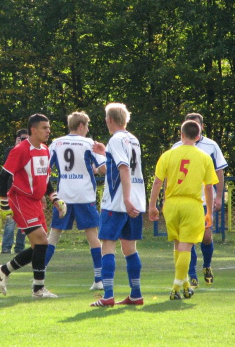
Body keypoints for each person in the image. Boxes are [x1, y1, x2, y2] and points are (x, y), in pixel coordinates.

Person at [0, 113, 66, 299]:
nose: (48, 131)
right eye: (44, 128)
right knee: (42, 241)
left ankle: (4, 270)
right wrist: (4, 203)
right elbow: (3, 176)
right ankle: (38, 289)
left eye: (48, 128)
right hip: (20, 199)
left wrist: (54, 198)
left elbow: (46, 179)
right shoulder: (20, 150)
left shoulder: (45, 150)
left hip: (35, 202)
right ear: (33, 130)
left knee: (38, 247)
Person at [149, 120, 218, 300]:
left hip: (171, 204)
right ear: (197, 136)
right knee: (186, 246)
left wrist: (151, 205)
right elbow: (209, 188)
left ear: (181, 135)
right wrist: (209, 212)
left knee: (178, 245)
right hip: (192, 204)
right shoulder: (204, 157)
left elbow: (157, 182)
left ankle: (186, 285)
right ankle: (176, 287)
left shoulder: (168, 155)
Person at [90, 103, 146, 307]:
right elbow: (125, 164)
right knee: (130, 248)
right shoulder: (133, 139)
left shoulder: (115, 139)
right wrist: (106, 153)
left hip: (117, 202)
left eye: (106, 118)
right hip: (137, 200)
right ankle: (136, 294)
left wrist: (125, 198)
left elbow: (123, 168)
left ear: (110, 120)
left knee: (108, 247)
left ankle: (108, 296)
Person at [44, 111, 107, 291]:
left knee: (54, 236)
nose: (87, 130)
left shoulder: (56, 143)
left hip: (63, 196)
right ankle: (98, 279)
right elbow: (103, 169)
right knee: (93, 237)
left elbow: (46, 169)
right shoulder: (89, 143)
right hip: (84, 196)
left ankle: (40, 275)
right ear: (81, 126)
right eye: (86, 126)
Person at [171, 113, 227, 287]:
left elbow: (219, 171)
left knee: (206, 237)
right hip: (186, 200)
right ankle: (192, 273)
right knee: (188, 238)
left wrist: (219, 195)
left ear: (202, 127)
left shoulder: (211, 146)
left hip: (205, 200)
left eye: (197, 124)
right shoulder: (176, 147)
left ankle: (207, 266)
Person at [0, 129, 28, 254]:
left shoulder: (31, 151)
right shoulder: (10, 150)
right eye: (22, 138)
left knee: (24, 222)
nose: (24, 141)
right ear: (17, 139)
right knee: (10, 221)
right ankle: (6, 247)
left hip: (25, 191)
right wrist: (17, 147)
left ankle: (19, 248)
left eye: (27, 138)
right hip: (11, 191)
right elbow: (6, 166)